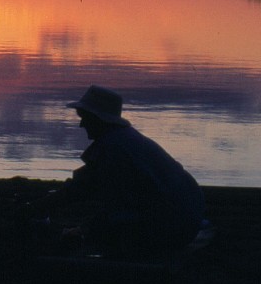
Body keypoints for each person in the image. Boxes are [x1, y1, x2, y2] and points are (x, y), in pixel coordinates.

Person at [30, 85, 204, 258]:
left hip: (174, 226)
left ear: (98, 119)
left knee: (102, 231)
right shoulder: (123, 139)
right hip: (188, 218)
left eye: (85, 117)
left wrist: (37, 208)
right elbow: (88, 181)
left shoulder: (114, 148)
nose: (81, 124)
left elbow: (84, 189)